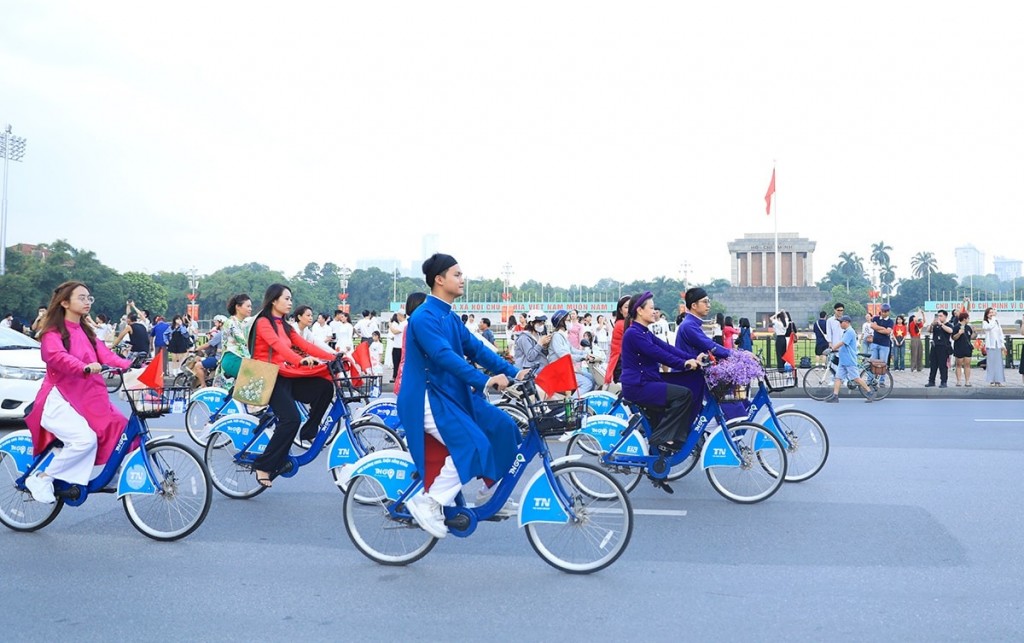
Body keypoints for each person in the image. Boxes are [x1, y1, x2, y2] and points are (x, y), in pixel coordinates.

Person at [397, 253, 525, 539]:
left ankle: (489, 491)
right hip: (427, 398)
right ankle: (428, 503)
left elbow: (478, 351)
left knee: (504, 427)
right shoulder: (424, 317)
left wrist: (515, 373)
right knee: (472, 444)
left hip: (452, 394)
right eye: (457, 274)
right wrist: (485, 381)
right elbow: (442, 356)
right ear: (439, 280)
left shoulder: (449, 317)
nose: (462, 279)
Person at [22, 281, 134, 504]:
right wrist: (83, 366)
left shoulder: (87, 331)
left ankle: (112, 474)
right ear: (64, 302)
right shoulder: (52, 333)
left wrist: (130, 366)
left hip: (87, 397)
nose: (87, 302)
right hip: (59, 398)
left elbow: (106, 355)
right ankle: (42, 478)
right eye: (81, 298)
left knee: (121, 426)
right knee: (85, 440)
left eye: (89, 298)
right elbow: (56, 357)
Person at [248, 284, 337, 488]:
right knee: (291, 420)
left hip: (286, 374)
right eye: (286, 299)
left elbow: (306, 345)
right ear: (273, 301)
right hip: (270, 378)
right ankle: (264, 465)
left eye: (291, 299)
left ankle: (309, 430)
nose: (290, 302)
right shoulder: (264, 322)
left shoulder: (285, 325)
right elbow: (279, 347)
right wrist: (300, 360)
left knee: (324, 387)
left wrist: (334, 356)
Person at [620, 291, 704, 455]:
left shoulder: (644, 332)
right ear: (640, 310)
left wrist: (693, 358)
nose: (655, 312)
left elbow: (668, 348)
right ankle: (663, 437)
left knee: (681, 392)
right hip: (639, 385)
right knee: (683, 395)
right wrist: (684, 364)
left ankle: (658, 467)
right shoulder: (633, 333)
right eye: (651, 308)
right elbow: (658, 354)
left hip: (648, 381)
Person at [824, 315, 875, 403]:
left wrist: (832, 349)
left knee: (856, 378)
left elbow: (842, 343)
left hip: (849, 359)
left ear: (847, 322)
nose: (840, 324)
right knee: (838, 378)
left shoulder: (850, 332)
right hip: (843, 359)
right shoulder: (846, 331)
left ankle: (869, 392)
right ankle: (835, 396)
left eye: (841, 322)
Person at [548, 309, 596, 394]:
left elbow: (572, 350)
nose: (571, 323)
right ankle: (572, 405)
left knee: (591, 378)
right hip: (559, 371)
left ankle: (585, 405)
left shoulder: (563, 336)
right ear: (562, 322)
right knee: (587, 384)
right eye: (569, 320)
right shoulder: (557, 337)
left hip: (566, 369)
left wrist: (586, 353)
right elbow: (564, 356)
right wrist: (583, 357)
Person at [603, 295, 631, 388]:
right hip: (622, 364)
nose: (630, 309)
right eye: (626, 307)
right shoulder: (621, 324)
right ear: (620, 310)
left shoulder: (631, 323)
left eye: (632, 306)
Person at [191, 315, 226, 388]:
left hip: (218, 358)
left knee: (198, 365)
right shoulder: (227, 333)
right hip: (224, 358)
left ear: (221, 323)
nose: (215, 324)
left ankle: (203, 385)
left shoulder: (220, 334)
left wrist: (197, 349)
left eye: (216, 322)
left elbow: (208, 344)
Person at [925, 310, 954, 388]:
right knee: (933, 365)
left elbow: (951, 331)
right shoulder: (935, 325)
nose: (939, 317)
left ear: (945, 316)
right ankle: (931, 381)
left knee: (943, 365)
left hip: (944, 347)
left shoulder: (948, 325)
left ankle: (943, 381)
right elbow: (928, 331)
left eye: (941, 316)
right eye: (938, 316)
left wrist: (941, 324)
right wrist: (932, 324)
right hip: (935, 346)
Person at [869, 304, 895, 386]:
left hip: (885, 345)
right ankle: (870, 380)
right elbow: (872, 326)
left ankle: (882, 381)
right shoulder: (876, 318)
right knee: (873, 362)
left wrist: (878, 328)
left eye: (886, 311)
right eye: (883, 311)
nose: (884, 313)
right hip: (875, 343)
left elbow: (888, 332)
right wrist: (883, 329)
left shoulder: (890, 321)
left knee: (883, 363)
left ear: (888, 312)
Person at [981, 307, 1006, 386]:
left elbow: (1000, 333)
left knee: (998, 363)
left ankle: (999, 380)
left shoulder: (997, 322)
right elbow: (988, 327)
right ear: (987, 314)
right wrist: (993, 319)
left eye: (992, 312)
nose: (991, 314)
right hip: (990, 345)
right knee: (991, 363)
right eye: (990, 312)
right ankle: (991, 380)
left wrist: (1002, 344)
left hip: (997, 344)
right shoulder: (985, 322)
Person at [952, 310, 974, 387]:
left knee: (967, 365)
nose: (969, 320)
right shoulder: (956, 327)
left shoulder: (968, 327)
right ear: (964, 319)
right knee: (958, 364)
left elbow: (971, 337)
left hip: (967, 348)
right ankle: (958, 381)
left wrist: (975, 332)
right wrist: (959, 333)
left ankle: (967, 381)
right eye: (968, 318)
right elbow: (953, 338)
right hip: (959, 348)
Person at [388, 310, 407, 382]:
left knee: (396, 363)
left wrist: (390, 325)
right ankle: (397, 376)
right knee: (398, 363)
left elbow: (395, 331)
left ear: (400, 315)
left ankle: (395, 377)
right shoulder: (403, 324)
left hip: (398, 347)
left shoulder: (403, 324)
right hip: (399, 345)